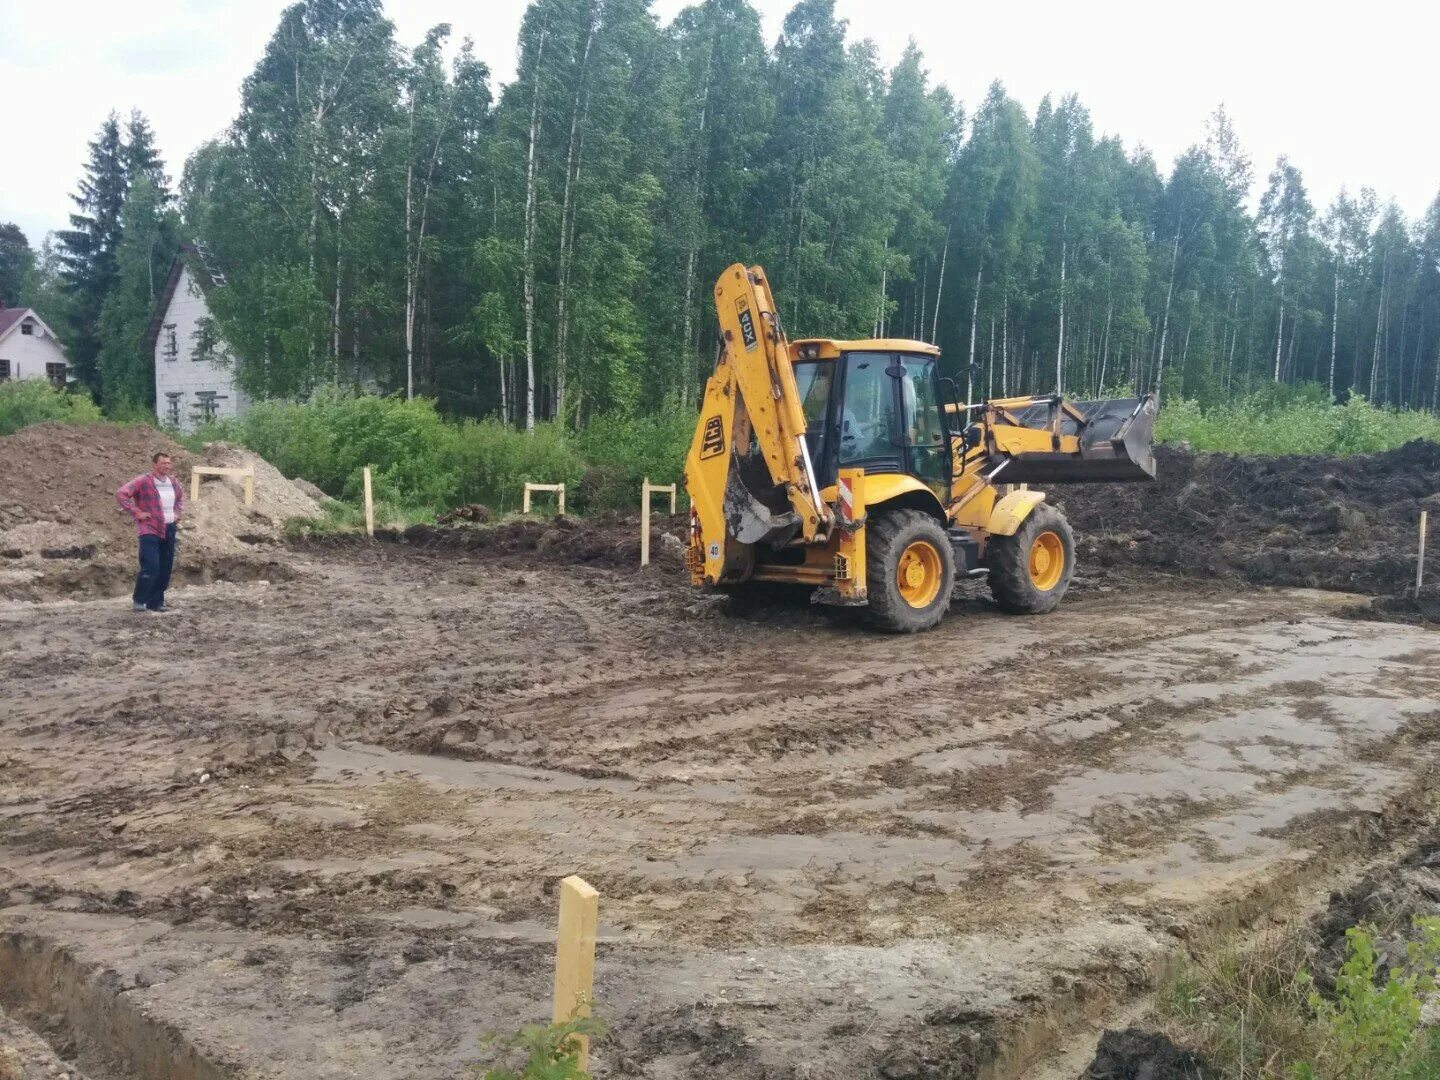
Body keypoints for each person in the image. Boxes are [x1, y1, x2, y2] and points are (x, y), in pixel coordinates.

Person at [117, 452, 184, 613]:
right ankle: (139, 600)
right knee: (151, 565)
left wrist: (177, 513)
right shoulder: (144, 481)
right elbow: (121, 494)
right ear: (154, 465)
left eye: (169, 463)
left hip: (168, 528)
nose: (167, 466)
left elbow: (180, 498)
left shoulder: (173, 482)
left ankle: (156, 602)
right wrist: (137, 512)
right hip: (149, 529)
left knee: (165, 567)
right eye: (163, 463)